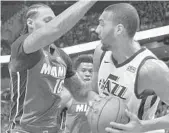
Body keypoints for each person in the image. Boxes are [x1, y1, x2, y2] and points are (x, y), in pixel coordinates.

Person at [8, 1, 99, 133]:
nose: (52, 24)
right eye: (47, 21)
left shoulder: (62, 56)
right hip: (22, 130)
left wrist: (100, 70)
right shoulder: (22, 46)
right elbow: (56, 28)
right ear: (30, 23)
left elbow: (81, 93)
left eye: (54, 20)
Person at [91, 3, 169, 133]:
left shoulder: (150, 69)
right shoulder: (100, 52)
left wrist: (144, 126)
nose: (97, 29)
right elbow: (93, 92)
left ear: (119, 29)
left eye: (102, 24)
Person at [60, 54, 93, 133]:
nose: (87, 74)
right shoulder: (67, 94)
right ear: (76, 73)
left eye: (91, 71)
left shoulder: (100, 95)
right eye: (83, 70)